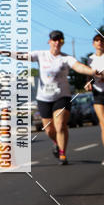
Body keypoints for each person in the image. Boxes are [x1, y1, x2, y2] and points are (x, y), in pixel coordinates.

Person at [31, 30, 100, 165]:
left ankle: (62, 154)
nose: (57, 42)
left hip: (62, 96)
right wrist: (4, 52)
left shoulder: (66, 58)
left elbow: (79, 67)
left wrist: (92, 71)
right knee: (49, 129)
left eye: (60, 40)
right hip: (44, 97)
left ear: (62, 42)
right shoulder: (41, 54)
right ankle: (56, 142)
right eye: (55, 40)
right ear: (49, 41)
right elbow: (23, 56)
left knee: (60, 124)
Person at [84, 31, 104, 163]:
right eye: (97, 40)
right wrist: (88, 84)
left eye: (101, 40)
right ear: (93, 44)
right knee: (103, 124)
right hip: (97, 93)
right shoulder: (90, 59)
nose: (100, 42)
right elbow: (88, 77)